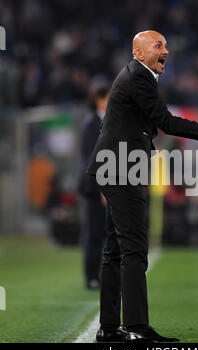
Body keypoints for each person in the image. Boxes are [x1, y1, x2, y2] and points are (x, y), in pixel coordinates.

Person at [86, 30, 198, 342]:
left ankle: (109, 329)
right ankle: (136, 329)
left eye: (166, 45)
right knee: (133, 248)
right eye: (158, 45)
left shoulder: (137, 75)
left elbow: (145, 122)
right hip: (121, 167)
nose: (167, 50)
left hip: (117, 165)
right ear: (138, 53)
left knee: (114, 251)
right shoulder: (139, 76)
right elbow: (165, 120)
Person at [78, 82, 110, 290]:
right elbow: (94, 158)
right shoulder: (92, 123)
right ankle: (91, 277)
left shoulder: (103, 120)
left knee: (104, 233)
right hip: (95, 187)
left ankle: (100, 275)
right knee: (94, 233)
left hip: (103, 185)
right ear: (99, 99)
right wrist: (102, 188)